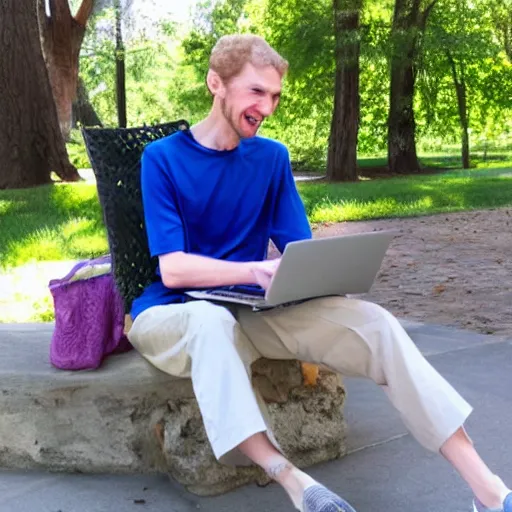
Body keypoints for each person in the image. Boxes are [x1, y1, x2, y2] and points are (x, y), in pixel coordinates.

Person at [127, 34, 511, 512]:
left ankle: (489, 491)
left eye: (274, 96)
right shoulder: (161, 158)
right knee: (210, 321)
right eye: (255, 92)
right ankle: (295, 483)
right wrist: (253, 268)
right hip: (173, 314)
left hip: (250, 310)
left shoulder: (271, 159)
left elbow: (297, 251)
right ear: (216, 84)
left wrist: (324, 274)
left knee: (375, 324)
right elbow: (175, 269)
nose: (267, 107)